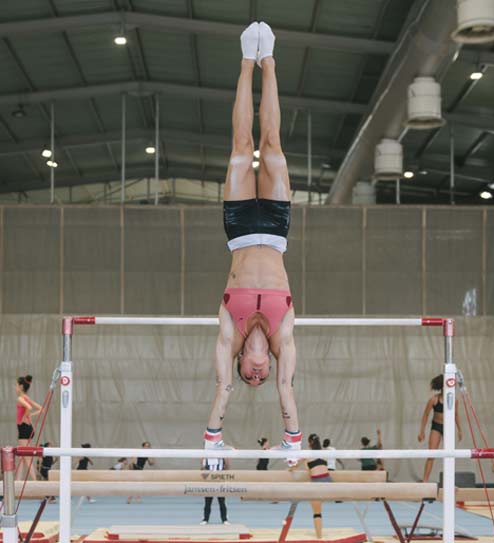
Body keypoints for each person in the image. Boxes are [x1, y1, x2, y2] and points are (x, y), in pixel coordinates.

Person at [203, 21, 301, 460]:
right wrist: (293, 442)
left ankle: (248, 60)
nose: (257, 376)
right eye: (262, 376)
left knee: (242, 146)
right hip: (276, 230)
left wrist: (213, 439)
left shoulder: (230, 331)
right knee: (273, 145)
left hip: (240, 229)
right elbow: (287, 387)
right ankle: (270, 61)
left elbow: (222, 387)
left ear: (241, 363)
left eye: (249, 376)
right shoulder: (283, 338)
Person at [418, 374, 462, 482]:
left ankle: (449, 482)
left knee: (449, 455)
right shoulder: (434, 400)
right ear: (443, 387)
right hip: (436, 427)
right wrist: (422, 431)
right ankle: (425, 481)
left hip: (448, 428)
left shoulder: (454, 400)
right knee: (431, 454)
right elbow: (425, 415)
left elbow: (456, 415)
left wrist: (460, 430)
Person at [289, 434, 330, 539]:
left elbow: (295, 465)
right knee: (318, 508)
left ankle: (319, 537)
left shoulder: (307, 453)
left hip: (317, 482)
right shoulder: (324, 453)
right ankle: (319, 535)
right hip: (328, 481)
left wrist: (290, 469)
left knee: (317, 512)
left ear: (310, 443)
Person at [16, 375, 42, 480]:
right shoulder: (27, 398)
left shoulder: (20, 398)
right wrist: (30, 415)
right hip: (27, 428)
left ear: (21, 386)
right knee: (21, 456)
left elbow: (29, 407)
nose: (15, 388)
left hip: (24, 428)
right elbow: (41, 409)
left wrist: (25, 417)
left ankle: (35, 481)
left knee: (26, 457)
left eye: (16, 385)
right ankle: (18, 481)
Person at [200, 457, 230, 526]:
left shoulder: (222, 456)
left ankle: (224, 519)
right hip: (209, 479)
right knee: (207, 501)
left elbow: (227, 467)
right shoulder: (206, 456)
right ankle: (205, 519)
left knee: (222, 500)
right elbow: (202, 468)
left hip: (220, 479)